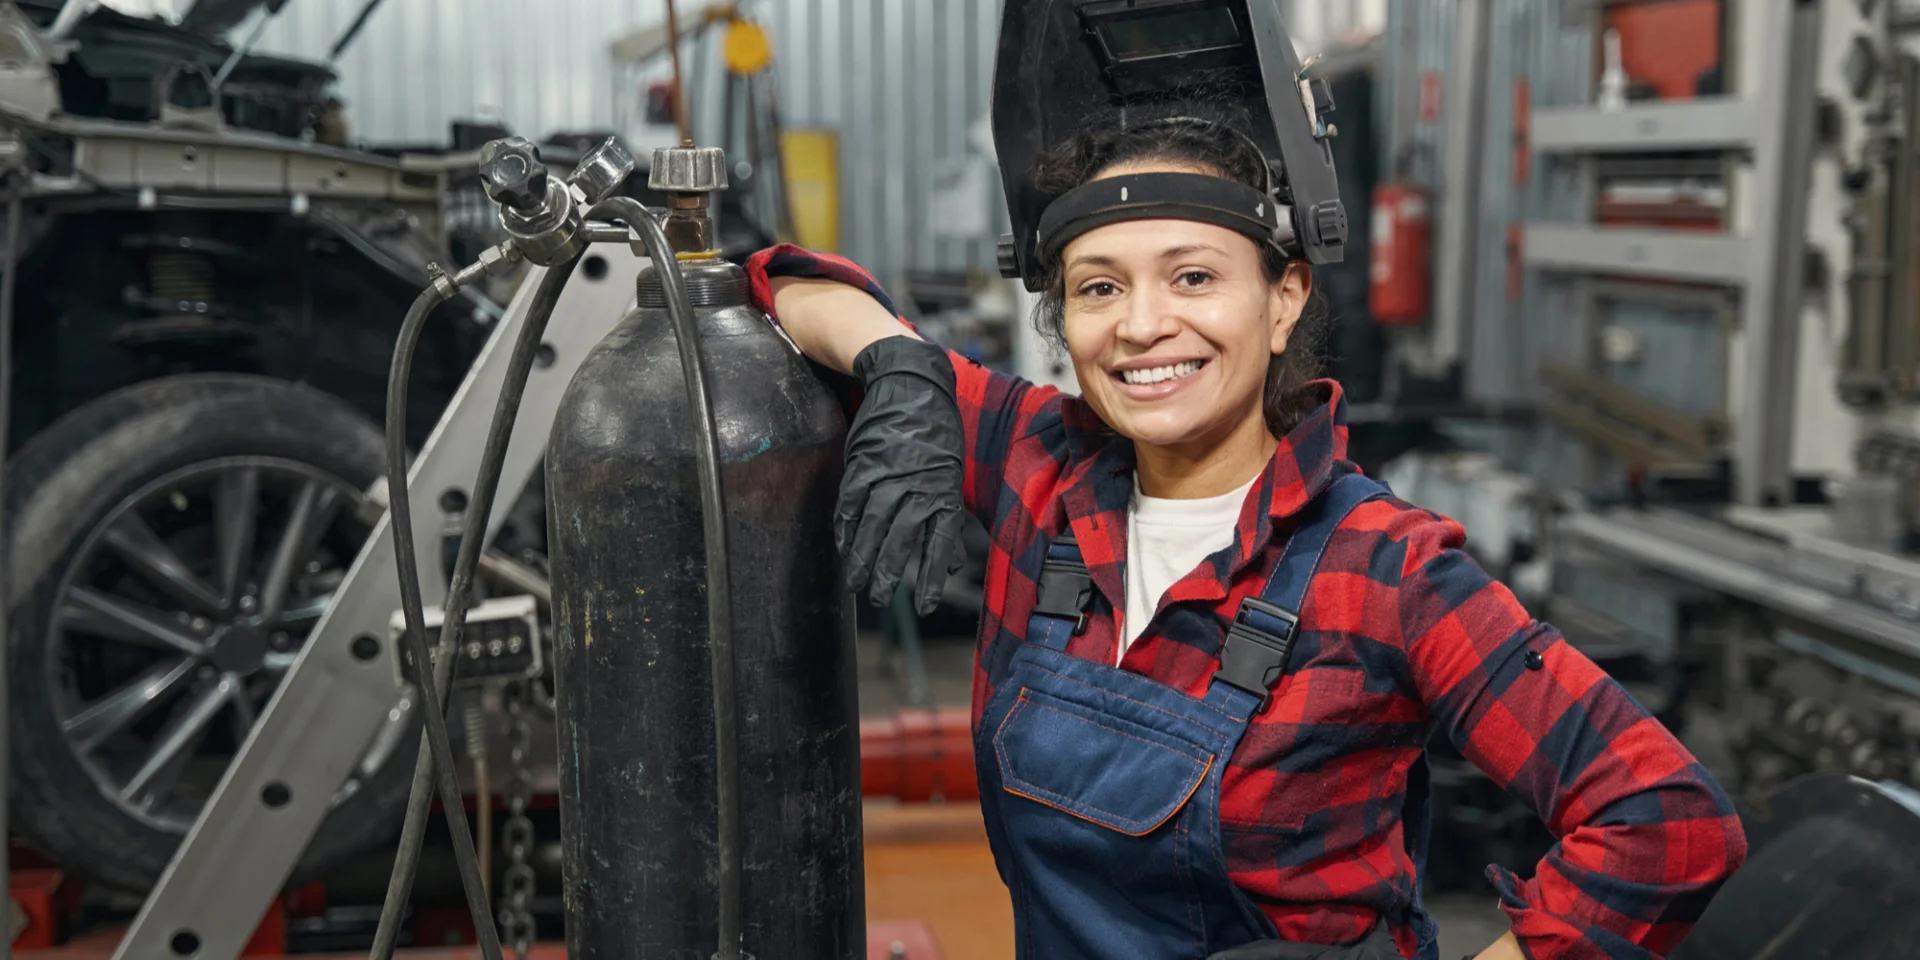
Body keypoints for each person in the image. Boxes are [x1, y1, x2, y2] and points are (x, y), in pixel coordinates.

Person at [743, 118, 1746, 960]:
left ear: (1284, 299)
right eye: (1099, 287)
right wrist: (899, 365)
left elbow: (1667, 822)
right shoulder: (1038, 466)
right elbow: (778, 282)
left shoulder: (1382, 569)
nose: (1142, 325)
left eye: (1191, 277)